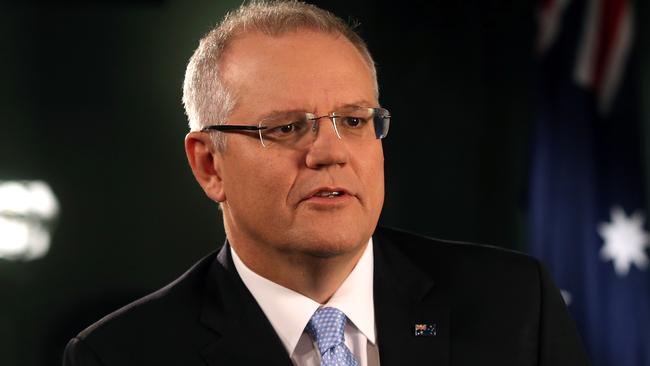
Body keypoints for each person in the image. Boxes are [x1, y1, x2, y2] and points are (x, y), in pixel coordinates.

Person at [63, 1, 589, 365]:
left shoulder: (515, 305)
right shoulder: (120, 355)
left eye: (355, 121)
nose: (330, 152)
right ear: (209, 165)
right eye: (288, 128)